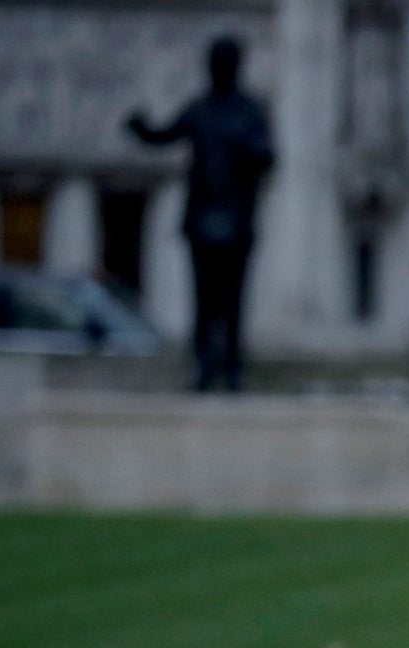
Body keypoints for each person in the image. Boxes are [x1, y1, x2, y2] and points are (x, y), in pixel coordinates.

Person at [127, 37, 274, 392]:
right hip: (203, 221)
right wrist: (141, 128)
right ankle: (203, 367)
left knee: (233, 301)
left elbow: (268, 156)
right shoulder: (201, 109)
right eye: (214, 62)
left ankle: (234, 369)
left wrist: (249, 149)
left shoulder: (250, 111)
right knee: (204, 301)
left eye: (224, 62)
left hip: (236, 222)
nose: (218, 68)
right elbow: (165, 134)